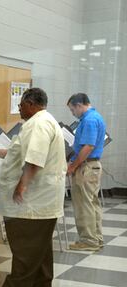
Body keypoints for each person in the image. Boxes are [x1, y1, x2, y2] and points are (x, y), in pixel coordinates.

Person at [0, 88, 67, 287]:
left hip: (33, 200)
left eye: (21, 105)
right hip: (43, 199)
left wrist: (21, 186)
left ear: (31, 104)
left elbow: (34, 159)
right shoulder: (43, 121)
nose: (19, 109)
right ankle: (41, 282)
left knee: (24, 244)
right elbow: (20, 150)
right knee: (38, 244)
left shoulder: (38, 124)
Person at [66, 93, 106, 251]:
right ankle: (96, 239)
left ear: (79, 105)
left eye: (72, 110)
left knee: (84, 205)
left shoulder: (89, 120)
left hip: (86, 167)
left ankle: (88, 241)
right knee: (92, 203)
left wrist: (73, 166)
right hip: (92, 166)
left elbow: (88, 146)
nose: (72, 113)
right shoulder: (95, 116)